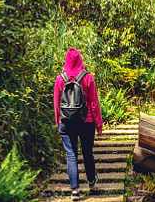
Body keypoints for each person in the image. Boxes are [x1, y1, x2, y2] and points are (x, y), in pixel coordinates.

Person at [54, 48, 103, 201]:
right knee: (87, 152)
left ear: (66, 60)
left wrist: (58, 121)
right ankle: (92, 183)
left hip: (66, 122)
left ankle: (75, 190)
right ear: (80, 59)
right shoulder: (88, 78)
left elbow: (56, 103)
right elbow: (94, 103)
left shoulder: (60, 79)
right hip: (86, 122)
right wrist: (98, 123)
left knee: (71, 154)